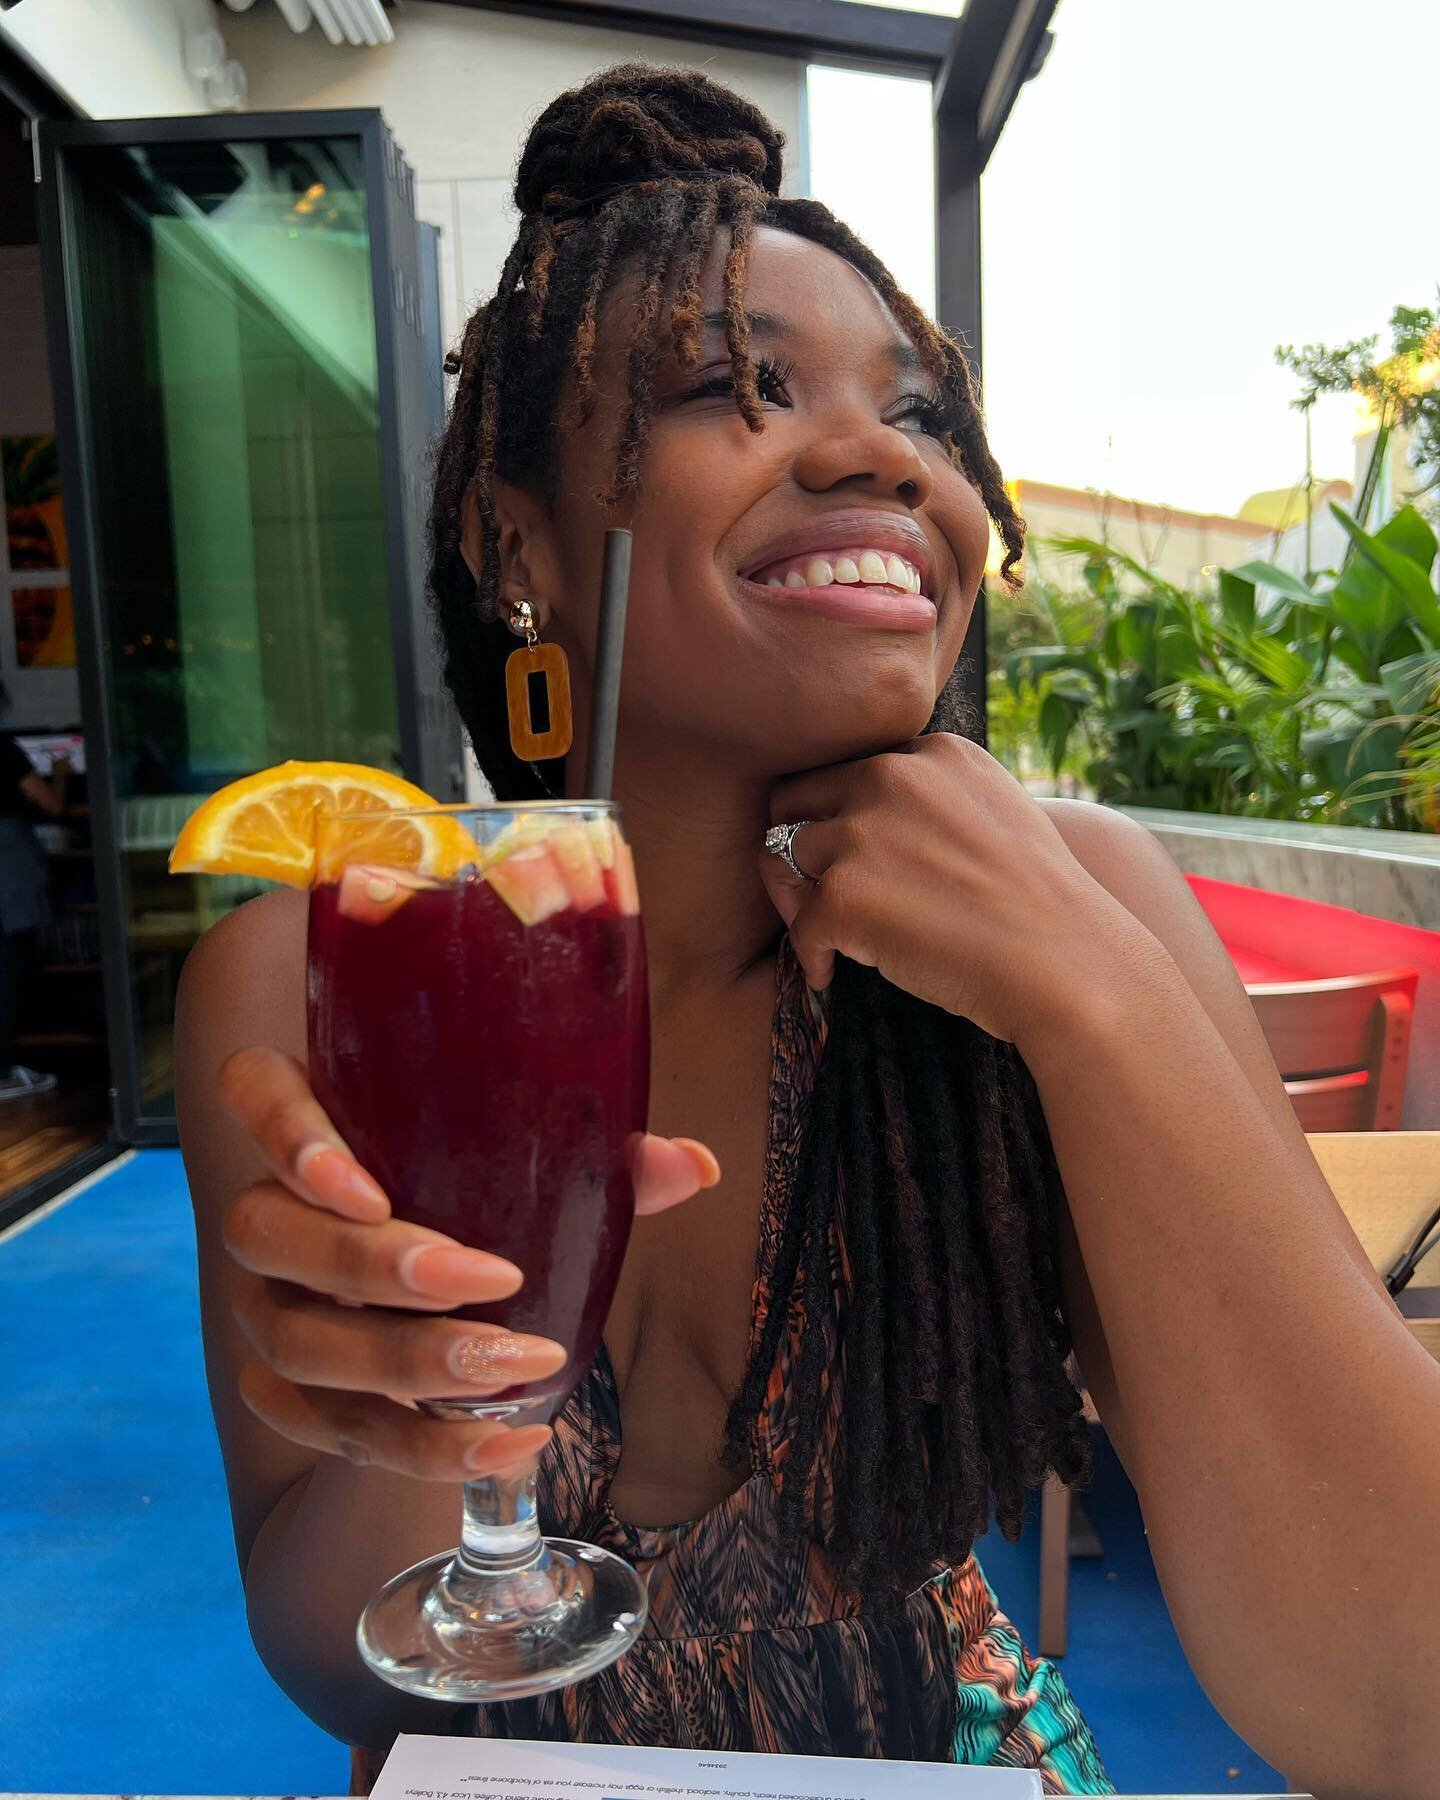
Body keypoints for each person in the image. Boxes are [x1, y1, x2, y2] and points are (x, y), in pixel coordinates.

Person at [174, 66, 1440, 1800]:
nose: (876, 458)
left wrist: (1089, 996)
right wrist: (433, 1427)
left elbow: (1402, 1704)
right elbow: (345, 1667)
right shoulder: (334, 973)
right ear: (512, 537)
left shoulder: (1085, 908)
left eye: (923, 418)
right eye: (730, 388)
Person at [0, 684, 67, 1102]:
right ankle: (3, 1071)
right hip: (7, 863)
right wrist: (59, 774)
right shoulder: (5, 751)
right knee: (7, 965)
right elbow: (53, 806)